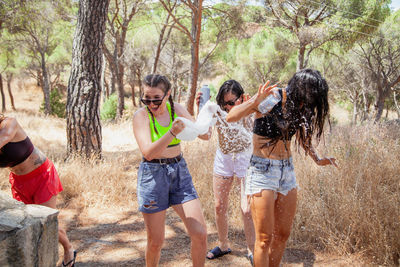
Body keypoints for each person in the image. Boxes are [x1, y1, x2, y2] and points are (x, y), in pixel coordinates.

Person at [226, 69, 338, 267]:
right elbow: (231, 117)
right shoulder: (273, 97)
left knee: (282, 235)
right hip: (261, 170)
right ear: (303, 89)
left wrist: (318, 159)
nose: (313, 100)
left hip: (287, 171)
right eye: (313, 94)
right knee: (264, 238)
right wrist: (254, 102)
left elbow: (303, 137)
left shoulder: (300, 106)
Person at [132, 74, 209, 267]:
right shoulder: (141, 116)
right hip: (153, 174)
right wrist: (172, 132)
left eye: (156, 99)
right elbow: (148, 153)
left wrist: (204, 111)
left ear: (168, 95)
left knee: (200, 234)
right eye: (146, 98)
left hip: (179, 172)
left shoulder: (178, 110)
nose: (151, 103)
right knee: (156, 242)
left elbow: (205, 135)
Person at [0, 114, 77, 267]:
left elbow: (4, 138)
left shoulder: (9, 123)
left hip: (42, 175)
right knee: (26, 224)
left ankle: (68, 249)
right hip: (19, 181)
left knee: (46, 221)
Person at [196, 80, 255, 264]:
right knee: (219, 206)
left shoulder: (249, 108)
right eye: (224, 103)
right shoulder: (216, 110)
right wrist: (197, 110)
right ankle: (223, 245)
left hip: (245, 158)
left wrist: (249, 105)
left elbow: (257, 132)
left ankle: (252, 249)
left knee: (247, 209)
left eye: (231, 102)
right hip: (224, 158)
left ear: (241, 98)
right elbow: (205, 136)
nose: (227, 107)